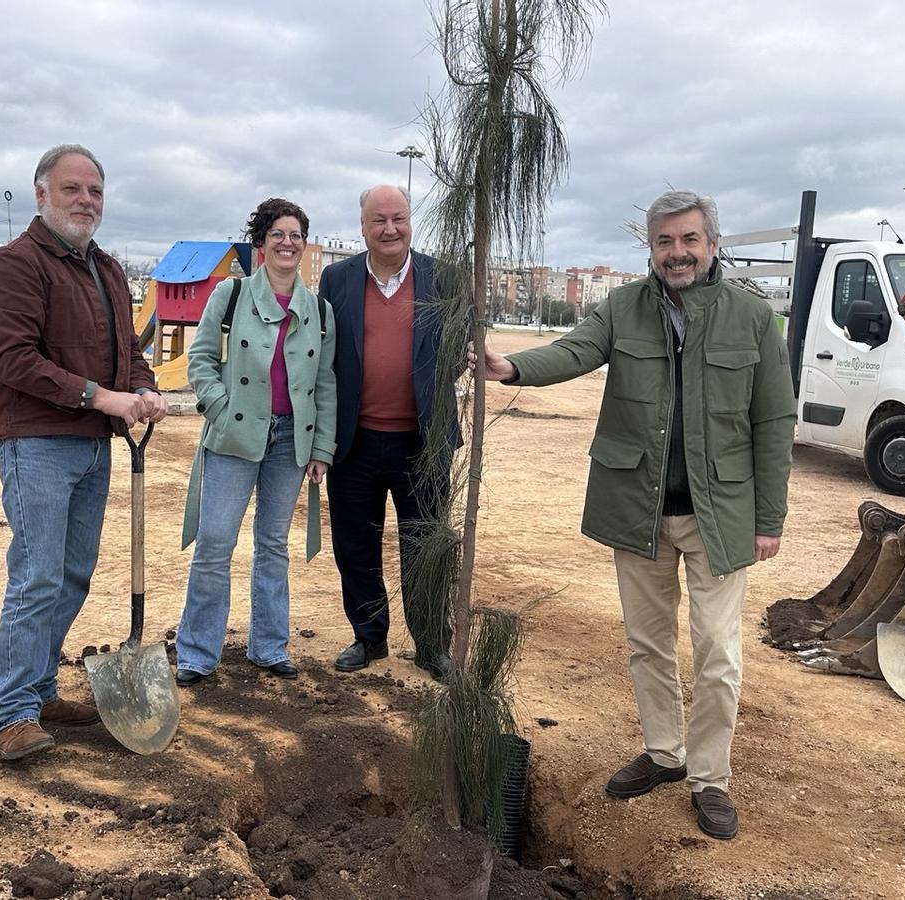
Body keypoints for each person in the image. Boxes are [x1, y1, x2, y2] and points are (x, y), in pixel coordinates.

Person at [480, 190, 796, 840]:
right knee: (648, 644)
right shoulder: (622, 308)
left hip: (723, 514)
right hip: (639, 509)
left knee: (717, 652)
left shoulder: (752, 317)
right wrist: (510, 367)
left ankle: (710, 780)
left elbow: (775, 419)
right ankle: (664, 754)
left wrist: (771, 517)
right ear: (651, 249)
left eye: (689, 240)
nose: (677, 252)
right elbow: (573, 351)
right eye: (664, 242)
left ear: (712, 243)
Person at [0, 144, 168, 761]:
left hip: (92, 447)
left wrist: (142, 388)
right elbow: (12, 360)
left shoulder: (107, 269)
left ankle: (38, 686)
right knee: (36, 577)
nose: (86, 201)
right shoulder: (14, 265)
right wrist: (99, 397)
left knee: (73, 575)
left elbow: (126, 352)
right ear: (40, 194)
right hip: (35, 443)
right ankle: (11, 713)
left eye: (95, 192)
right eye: (71, 190)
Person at [176, 198, 337, 686]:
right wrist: (221, 408)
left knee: (273, 544)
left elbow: (324, 383)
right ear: (261, 244)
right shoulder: (231, 294)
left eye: (295, 235)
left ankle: (269, 646)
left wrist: (322, 449)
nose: (287, 243)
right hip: (235, 435)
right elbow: (200, 360)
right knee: (215, 544)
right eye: (277, 234)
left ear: (303, 245)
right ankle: (198, 652)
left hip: (292, 441)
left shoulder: (320, 310)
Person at [318, 185, 458, 680]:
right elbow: (323, 356)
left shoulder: (443, 276)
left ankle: (430, 645)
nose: (390, 229)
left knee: (425, 545)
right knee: (355, 544)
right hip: (353, 441)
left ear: (410, 221)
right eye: (378, 220)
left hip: (424, 442)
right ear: (362, 226)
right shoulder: (337, 279)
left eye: (398, 218)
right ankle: (369, 636)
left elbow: (461, 344)